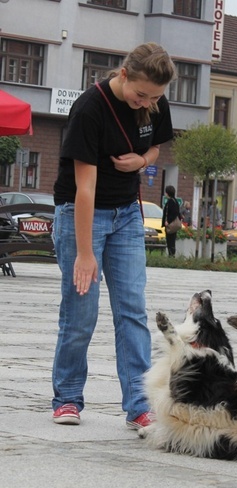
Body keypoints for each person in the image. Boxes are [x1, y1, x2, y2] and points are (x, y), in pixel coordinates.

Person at [51, 42, 176, 429]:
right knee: (81, 312)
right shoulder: (90, 108)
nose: (146, 104)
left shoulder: (154, 102)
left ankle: (139, 404)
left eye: (154, 97)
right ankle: (68, 398)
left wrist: (142, 160)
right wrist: (85, 254)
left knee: (132, 311)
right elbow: (83, 188)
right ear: (123, 75)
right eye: (141, 95)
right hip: (81, 213)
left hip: (126, 216)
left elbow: (157, 147)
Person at [162, 185, 181, 257]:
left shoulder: (171, 202)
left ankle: (171, 255)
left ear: (168, 193)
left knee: (170, 240)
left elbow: (174, 212)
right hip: (173, 225)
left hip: (171, 225)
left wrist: (168, 221)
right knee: (172, 240)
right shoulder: (175, 201)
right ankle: (171, 254)